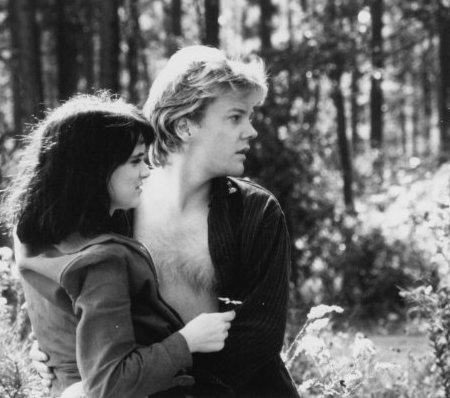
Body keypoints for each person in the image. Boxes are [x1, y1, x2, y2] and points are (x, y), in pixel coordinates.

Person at [32, 46, 300, 397]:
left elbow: (258, 339)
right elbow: (77, 305)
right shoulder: (116, 206)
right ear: (185, 125)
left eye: (250, 116)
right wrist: (59, 358)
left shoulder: (257, 212)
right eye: (236, 117)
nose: (251, 131)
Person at [0, 93, 236, 398]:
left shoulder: (34, 239)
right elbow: (109, 384)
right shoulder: (101, 262)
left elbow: (67, 324)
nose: (146, 171)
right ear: (95, 170)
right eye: (135, 161)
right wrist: (188, 341)